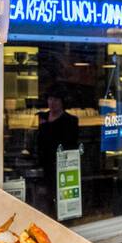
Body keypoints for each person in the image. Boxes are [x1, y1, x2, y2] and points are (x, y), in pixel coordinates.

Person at [36, 86, 79, 216]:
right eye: (50, 99)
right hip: (43, 161)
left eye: (56, 100)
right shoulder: (41, 117)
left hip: (60, 164)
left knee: (57, 194)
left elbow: (70, 143)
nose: (52, 103)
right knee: (44, 195)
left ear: (62, 102)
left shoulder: (70, 120)